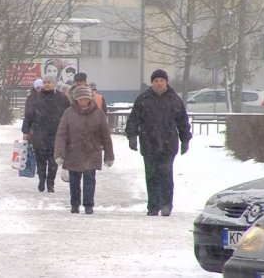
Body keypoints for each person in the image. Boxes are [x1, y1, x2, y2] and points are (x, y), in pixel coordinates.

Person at [125, 69, 192, 217]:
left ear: (166, 82)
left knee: (166, 175)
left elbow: (183, 121)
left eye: (162, 80)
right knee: (151, 176)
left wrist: (185, 139)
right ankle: (153, 206)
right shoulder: (143, 99)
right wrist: (132, 136)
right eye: (156, 80)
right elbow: (134, 119)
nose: (159, 83)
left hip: (169, 144)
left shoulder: (174, 100)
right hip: (149, 142)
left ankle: (166, 205)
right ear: (152, 82)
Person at [54, 85, 114, 214]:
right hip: (73, 151)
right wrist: (59, 153)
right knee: (74, 180)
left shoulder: (98, 113)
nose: (83, 101)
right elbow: (61, 134)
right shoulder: (68, 113)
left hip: (92, 151)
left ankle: (88, 205)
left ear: (90, 99)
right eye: (80, 99)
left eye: (85, 98)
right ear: (76, 99)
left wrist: (109, 155)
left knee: (89, 180)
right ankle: (75, 204)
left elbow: (105, 135)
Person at [22, 75, 70, 193]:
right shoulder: (36, 98)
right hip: (39, 133)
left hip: (56, 134)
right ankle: (42, 179)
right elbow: (28, 115)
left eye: (49, 82)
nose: (47, 84)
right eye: (45, 82)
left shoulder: (61, 98)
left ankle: (51, 182)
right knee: (40, 159)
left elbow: (68, 114)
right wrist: (26, 130)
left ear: (54, 84)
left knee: (54, 160)